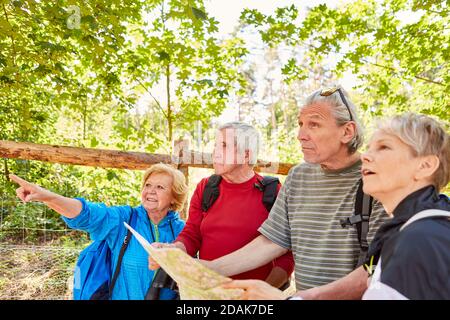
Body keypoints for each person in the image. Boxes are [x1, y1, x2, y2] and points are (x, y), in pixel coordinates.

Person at [211, 87, 391, 299]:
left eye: (314, 124)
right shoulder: (298, 177)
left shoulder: (378, 180)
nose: (300, 135)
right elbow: (273, 241)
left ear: (347, 132)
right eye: (300, 124)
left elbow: (374, 271)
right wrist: (209, 268)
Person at [9, 163, 187, 300]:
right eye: (148, 185)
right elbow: (87, 214)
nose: (150, 191)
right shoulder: (124, 219)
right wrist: (46, 196)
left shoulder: (183, 232)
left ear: (174, 197)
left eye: (160, 187)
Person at [149, 122, 294, 288]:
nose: (215, 152)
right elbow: (191, 235)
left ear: (246, 155)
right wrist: (173, 250)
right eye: (216, 145)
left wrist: (262, 294)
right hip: (208, 292)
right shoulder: (206, 188)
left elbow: (286, 254)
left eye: (224, 146)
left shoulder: (272, 191)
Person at [359, 113, 450, 300]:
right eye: (368, 148)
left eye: (383, 147)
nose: (365, 156)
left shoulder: (420, 239)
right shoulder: (430, 227)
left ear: (425, 165)